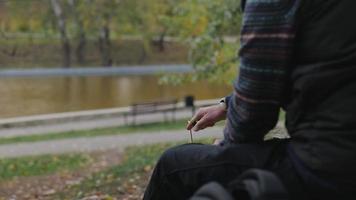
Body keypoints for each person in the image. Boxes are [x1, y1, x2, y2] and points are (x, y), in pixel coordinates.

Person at [143, 0, 356, 199]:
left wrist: (228, 146)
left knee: (172, 166)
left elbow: (252, 117)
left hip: (324, 168)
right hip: (342, 151)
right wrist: (226, 105)